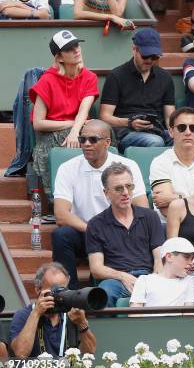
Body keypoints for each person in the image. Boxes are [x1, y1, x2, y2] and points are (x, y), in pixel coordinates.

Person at [52, 120, 147, 290]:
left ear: (107, 142)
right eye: (83, 139)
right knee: (62, 235)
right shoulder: (68, 168)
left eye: (93, 140)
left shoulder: (127, 166)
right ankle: (69, 294)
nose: (86, 144)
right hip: (85, 231)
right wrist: (93, 229)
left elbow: (142, 209)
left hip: (119, 230)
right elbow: (61, 214)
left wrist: (116, 229)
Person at [30, 30, 99, 195]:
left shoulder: (89, 77)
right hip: (51, 132)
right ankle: (58, 199)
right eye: (69, 49)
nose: (76, 50)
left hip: (80, 129)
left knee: (103, 132)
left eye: (76, 45)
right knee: (61, 139)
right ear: (59, 57)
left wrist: (75, 130)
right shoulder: (47, 80)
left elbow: (84, 110)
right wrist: (71, 125)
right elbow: (38, 123)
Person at [86, 163, 164, 307]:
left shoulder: (150, 217)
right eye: (118, 188)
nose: (126, 192)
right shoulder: (95, 224)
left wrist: (154, 280)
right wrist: (122, 276)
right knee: (105, 291)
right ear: (106, 193)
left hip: (148, 276)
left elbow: (159, 257)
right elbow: (96, 269)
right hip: (116, 280)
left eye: (129, 186)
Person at [99, 28, 175, 153]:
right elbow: (104, 116)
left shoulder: (165, 77)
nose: (150, 60)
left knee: (188, 139)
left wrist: (178, 132)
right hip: (127, 133)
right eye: (145, 55)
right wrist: (129, 123)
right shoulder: (117, 75)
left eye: (154, 57)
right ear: (134, 49)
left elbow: (169, 117)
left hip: (158, 130)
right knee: (155, 141)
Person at [9, 263, 96, 358]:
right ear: (38, 289)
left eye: (63, 290)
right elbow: (21, 354)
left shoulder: (72, 314)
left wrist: (82, 323)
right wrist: (36, 314)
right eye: (55, 290)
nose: (60, 295)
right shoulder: (23, 315)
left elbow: (90, 352)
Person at [149, 108, 194, 219]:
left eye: (193, 128)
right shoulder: (160, 162)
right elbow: (167, 210)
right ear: (171, 132)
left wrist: (177, 198)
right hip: (171, 228)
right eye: (182, 127)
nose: (188, 132)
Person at [129, 237, 194, 309]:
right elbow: (135, 313)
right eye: (186, 257)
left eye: (191, 259)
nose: (191, 263)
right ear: (169, 256)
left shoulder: (189, 280)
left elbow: (189, 313)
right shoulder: (144, 280)